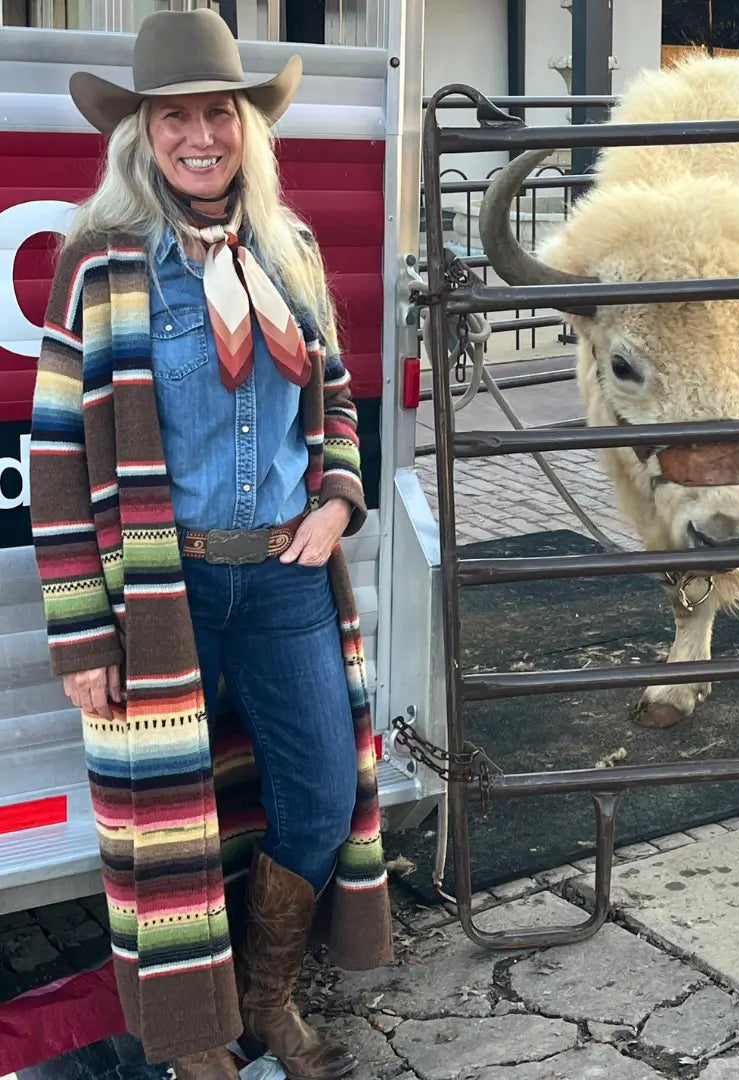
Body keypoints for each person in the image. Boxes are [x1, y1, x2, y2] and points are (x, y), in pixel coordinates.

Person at [28, 10, 392, 1080]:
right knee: (168, 835)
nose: (200, 136)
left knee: (323, 799)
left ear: (247, 127)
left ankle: (269, 996)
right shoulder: (99, 267)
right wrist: (80, 637)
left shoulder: (293, 251)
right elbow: (57, 453)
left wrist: (337, 498)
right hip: (158, 590)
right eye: (174, 116)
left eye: (218, 114)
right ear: (141, 134)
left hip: (283, 578)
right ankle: (198, 1043)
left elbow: (333, 397)